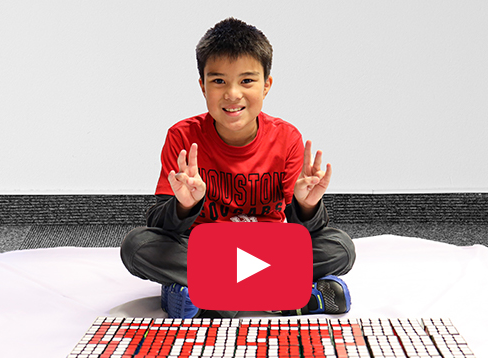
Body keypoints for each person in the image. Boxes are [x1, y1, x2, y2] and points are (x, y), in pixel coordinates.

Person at [120, 17, 355, 319]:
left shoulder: (286, 139)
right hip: (205, 250)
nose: (232, 94)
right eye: (219, 81)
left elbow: (302, 232)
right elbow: (159, 226)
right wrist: (184, 205)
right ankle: (295, 298)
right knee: (137, 246)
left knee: (341, 247)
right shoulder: (182, 136)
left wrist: (307, 206)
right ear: (202, 85)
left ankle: (207, 295)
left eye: (246, 80)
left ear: (266, 85)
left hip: (268, 251)